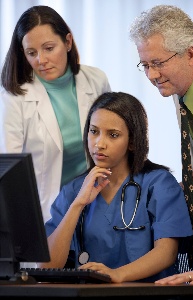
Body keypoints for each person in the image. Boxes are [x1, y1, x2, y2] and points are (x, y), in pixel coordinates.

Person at [38, 91, 193, 283]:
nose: (99, 144)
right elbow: (47, 266)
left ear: (133, 142)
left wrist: (116, 274)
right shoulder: (74, 191)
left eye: (113, 135)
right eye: (94, 131)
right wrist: (78, 204)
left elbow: (167, 253)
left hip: (148, 297)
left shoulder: (159, 184)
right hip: (91, 298)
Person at [0, 5, 111, 223]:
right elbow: (8, 171)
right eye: (31, 53)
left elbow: (115, 139)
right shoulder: (14, 97)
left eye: (49, 48)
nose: (41, 60)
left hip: (95, 204)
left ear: (67, 42)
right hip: (42, 214)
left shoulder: (96, 80)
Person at [129, 4, 193, 283]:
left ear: (191, 54)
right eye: (145, 65)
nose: (151, 75)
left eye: (158, 63)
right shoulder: (180, 87)